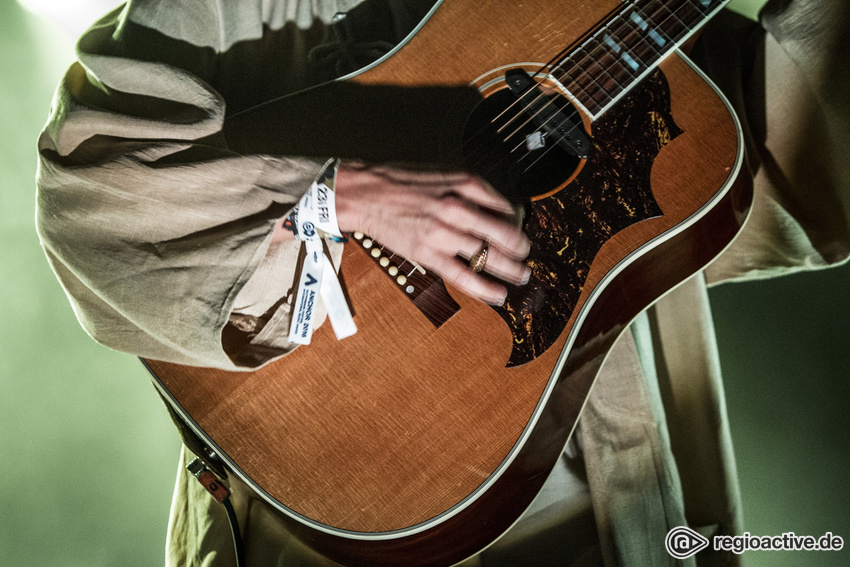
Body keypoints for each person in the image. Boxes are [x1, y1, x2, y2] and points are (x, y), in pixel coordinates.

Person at [36, 0, 849, 565]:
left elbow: (811, 163)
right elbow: (95, 197)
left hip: (606, 514)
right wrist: (347, 191)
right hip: (325, 524)